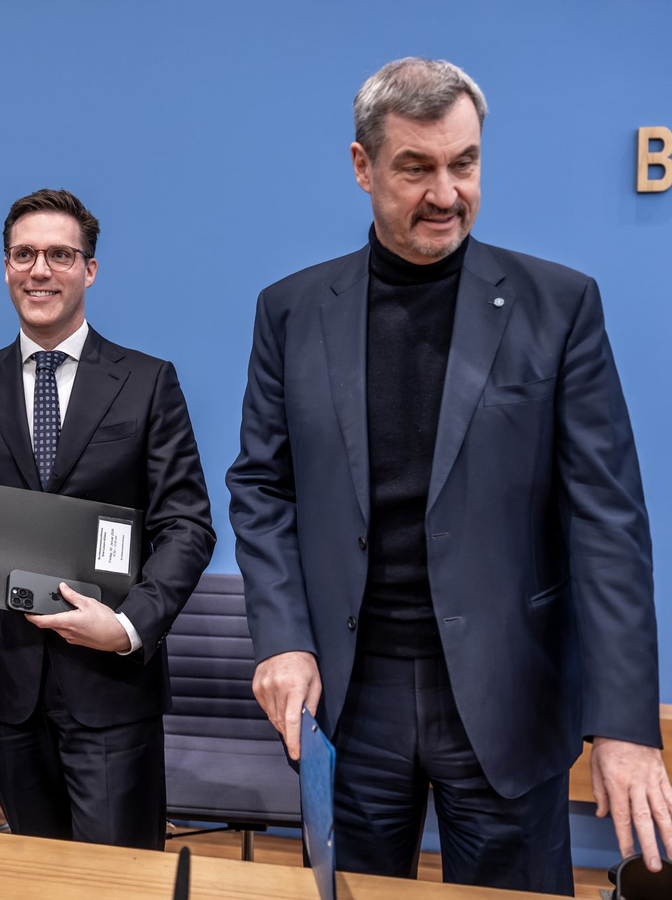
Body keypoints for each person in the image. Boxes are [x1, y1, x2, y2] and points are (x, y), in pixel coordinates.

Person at [226, 58, 671, 894]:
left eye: (464, 164)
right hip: (351, 698)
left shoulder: (559, 305)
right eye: (416, 168)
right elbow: (263, 488)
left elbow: (608, 523)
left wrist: (625, 723)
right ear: (362, 167)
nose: (445, 193)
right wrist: (282, 636)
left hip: (509, 693)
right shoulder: (290, 311)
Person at [0, 188, 214, 850]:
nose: (39, 270)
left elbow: (187, 527)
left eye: (60, 255)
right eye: (24, 254)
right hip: (2, 679)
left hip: (109, 680)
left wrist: (128, 626)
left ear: (89, 269)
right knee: (35, 876)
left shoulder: (147, 382)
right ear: (6, 267)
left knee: (118, 883)